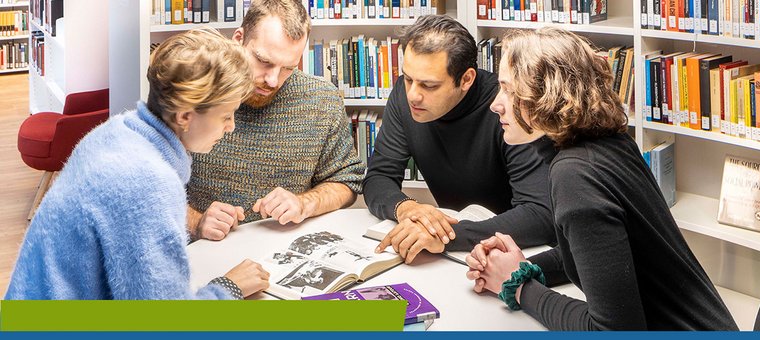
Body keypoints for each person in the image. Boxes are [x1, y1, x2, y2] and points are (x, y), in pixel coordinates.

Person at [464, 28, 739, 330]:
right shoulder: (609, 144)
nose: (495, 104)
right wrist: (519, 269)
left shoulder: (574, 174)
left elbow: (612, 334)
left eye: (509, 89)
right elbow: (599, 256)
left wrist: (519, 288)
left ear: (546, 94)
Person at [5, 29, 269, 300]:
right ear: (185, 117)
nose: (231, 127)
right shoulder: (147, 181)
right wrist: (229, 288)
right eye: (226, 116)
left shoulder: (116, 132)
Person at [366, 15, 555, 263]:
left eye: (429, 85)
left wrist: (446, 235)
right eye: (408, 79)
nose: (412, 95)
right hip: (454, 254)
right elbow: (379, 177)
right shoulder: (406, 97)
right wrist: (407, 209)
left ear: (466, 79)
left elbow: (540, 214)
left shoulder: (507, 108)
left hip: (517, 255)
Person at [186, 0, 363, 241]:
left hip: (285, 254)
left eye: (288, 68)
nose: (272, 80)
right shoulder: (192, 91)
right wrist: (196, 221)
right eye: (264, 61)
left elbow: (346, 180)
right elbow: (150, 189)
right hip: (203, 251)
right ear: (238, 39)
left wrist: (304, 203)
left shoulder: (322, 99)